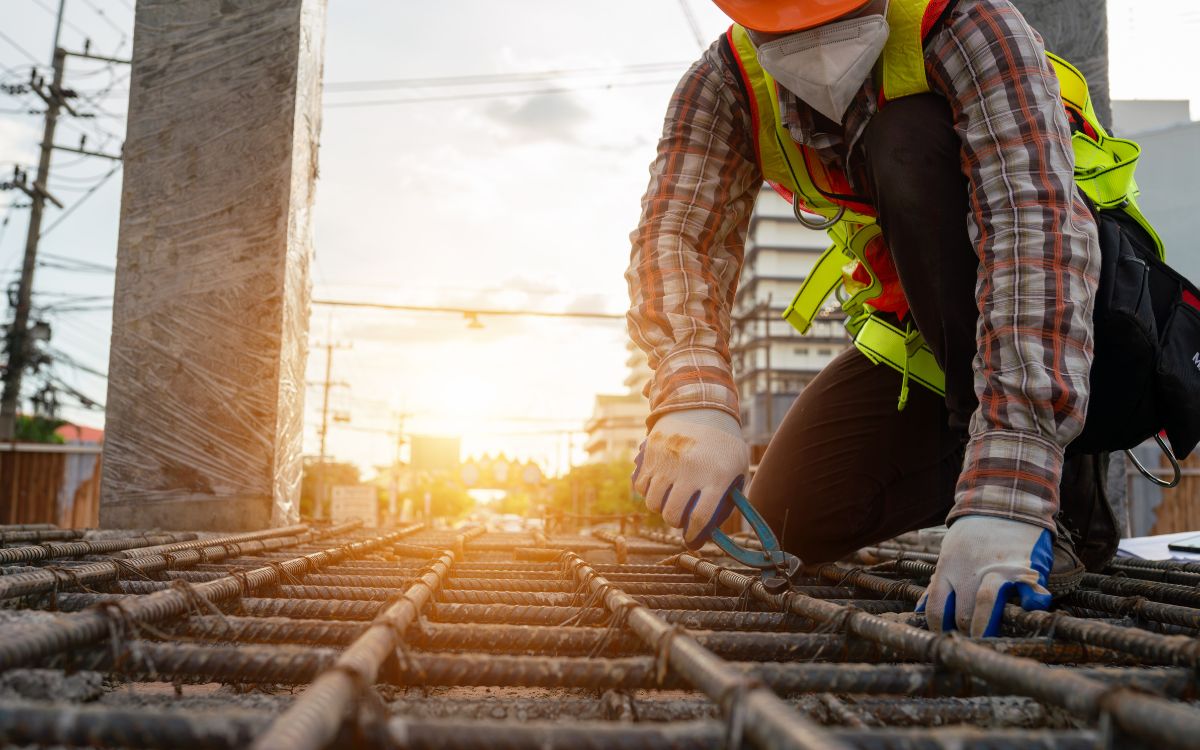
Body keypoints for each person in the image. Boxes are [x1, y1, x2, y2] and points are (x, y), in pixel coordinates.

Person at [627, 0, 1125, 637]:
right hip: (928, 343)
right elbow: (676, 238)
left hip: (1071, 327)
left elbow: (1034, 236)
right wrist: (692, 399)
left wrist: (1012, 479)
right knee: (790, 516)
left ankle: (1060, 496)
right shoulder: (723, 82)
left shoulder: (968, 26)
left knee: (905, 139)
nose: (816, 38)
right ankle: (971, 462)